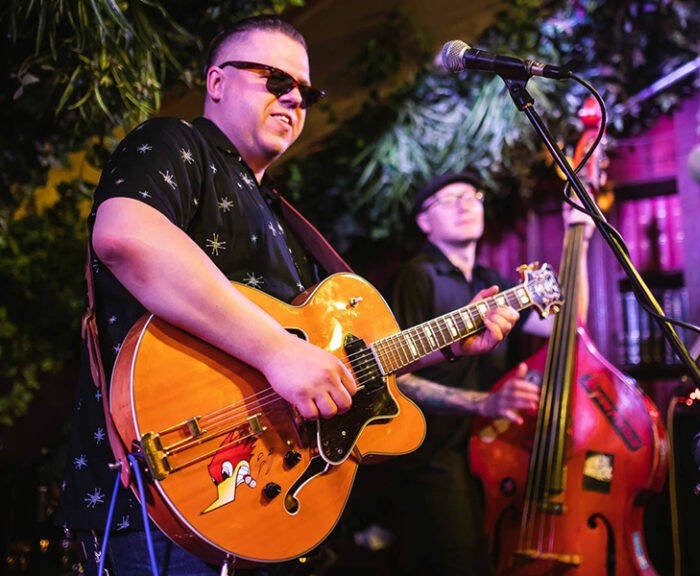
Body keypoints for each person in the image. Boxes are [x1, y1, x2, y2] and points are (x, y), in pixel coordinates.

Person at [55, 16, 518, 576]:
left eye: (307, 92)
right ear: (216, 82)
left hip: (263, 506)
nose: (296, 98)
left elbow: (329, 363)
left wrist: (446, 344)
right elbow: (126, 236)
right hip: (165, 495)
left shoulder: (279, 212)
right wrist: (278, 352)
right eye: (275, 80)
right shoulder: (175, 143)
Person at [365, 171, 592, 575]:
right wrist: (483, 402)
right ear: (424, 221)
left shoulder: (491, 284)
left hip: (487, 451)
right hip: (432, 457)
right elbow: (391, 376)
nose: (465, 204)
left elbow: (569, 323)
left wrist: (580, 240)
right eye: (449, 199)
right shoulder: (417, 276)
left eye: (472, 196)